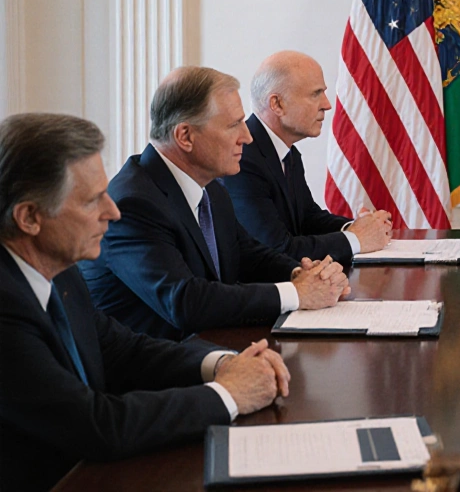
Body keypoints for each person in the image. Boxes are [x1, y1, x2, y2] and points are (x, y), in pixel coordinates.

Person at [0, 114, 290, 492]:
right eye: (92, 201)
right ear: (30, 217)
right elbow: (95, 425)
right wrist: (229, 394)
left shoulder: (60, 270)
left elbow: (124, 350)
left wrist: (223, 363)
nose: (113, 211)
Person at [81, 66, 350, 340]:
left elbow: (248, 254)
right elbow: (185, 301)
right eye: (233, 125)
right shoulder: (133, 204)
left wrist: (301, 274)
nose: (246, 137)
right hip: (156, 369)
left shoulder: (211, 187)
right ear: (185, 136)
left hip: (210, 346)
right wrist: (296, 293)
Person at [220, 51, 392, 265]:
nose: (327, 104)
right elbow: (277, 248)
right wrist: (356, 239)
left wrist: (357, 227)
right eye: (315, 94)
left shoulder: (287, 152)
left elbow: (308, 218)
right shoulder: (243, 159)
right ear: (277, 104)